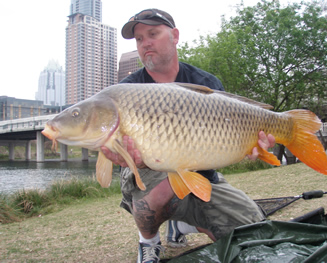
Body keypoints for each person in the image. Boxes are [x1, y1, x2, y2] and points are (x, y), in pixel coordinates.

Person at [101, 8, 276, 263]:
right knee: (152, 202)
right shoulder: (127, 90)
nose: (145, 43)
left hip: (200, 172)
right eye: (139, 39)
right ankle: (148, 242)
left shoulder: (205, 82)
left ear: (174, 35)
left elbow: (219, 148)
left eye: (152, 33)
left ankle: (184, 225)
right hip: (149, 170)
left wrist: (250, 146)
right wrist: (124, 156)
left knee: (252, 227)